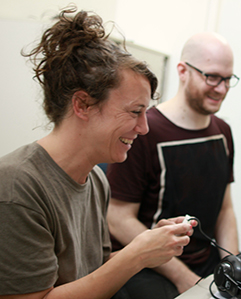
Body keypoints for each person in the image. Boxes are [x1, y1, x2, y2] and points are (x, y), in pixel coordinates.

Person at [0, 7, 195, 299]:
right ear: (83, 105)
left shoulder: (95, 180)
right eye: (135, 112)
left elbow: (94, 273)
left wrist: (149, 247)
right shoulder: (17, 186)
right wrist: (137, 256)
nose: (143, 129)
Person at [106, 32, 240, 298]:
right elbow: (118, 218)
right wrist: (183, 277)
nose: (221, 89)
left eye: (227, 79)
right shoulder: (144, 132)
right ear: (183, 71)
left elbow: (225, 209)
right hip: (150, 267)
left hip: (206, 262)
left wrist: (235, 266)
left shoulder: (222, 131)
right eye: (212, 77)